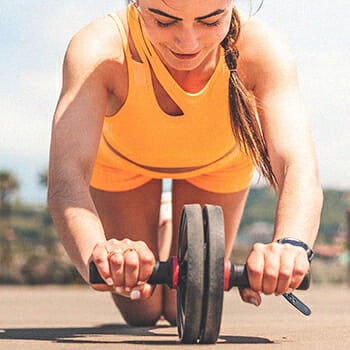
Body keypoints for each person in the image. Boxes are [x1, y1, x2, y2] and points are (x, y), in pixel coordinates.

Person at [48, 0, 323, 326]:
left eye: (211, 21)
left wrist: (290, 246)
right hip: (123, 167)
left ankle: (170, 226)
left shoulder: (265, 48)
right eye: (164, 21)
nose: (188, 43)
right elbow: (67, 177)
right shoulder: (98, 48)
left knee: (188, 305)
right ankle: (168, 224)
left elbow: (297, 166)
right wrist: (101, 255)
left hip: (218, 166)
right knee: (141, 309)